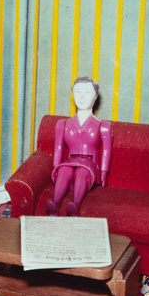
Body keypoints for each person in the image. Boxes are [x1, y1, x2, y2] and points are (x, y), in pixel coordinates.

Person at [46, 77, 113, 217]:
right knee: (64, 168)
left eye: (87, 92)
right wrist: (55, 169)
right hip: (69, 163)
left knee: (81, 171)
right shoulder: (62, 124)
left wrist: (104, 173)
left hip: (89, 166)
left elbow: (106, 150)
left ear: (95, 97)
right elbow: (58, 148)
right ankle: (55, 204)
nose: (82, 96)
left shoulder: (103, 126)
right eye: (77, 91)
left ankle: (75, 205)